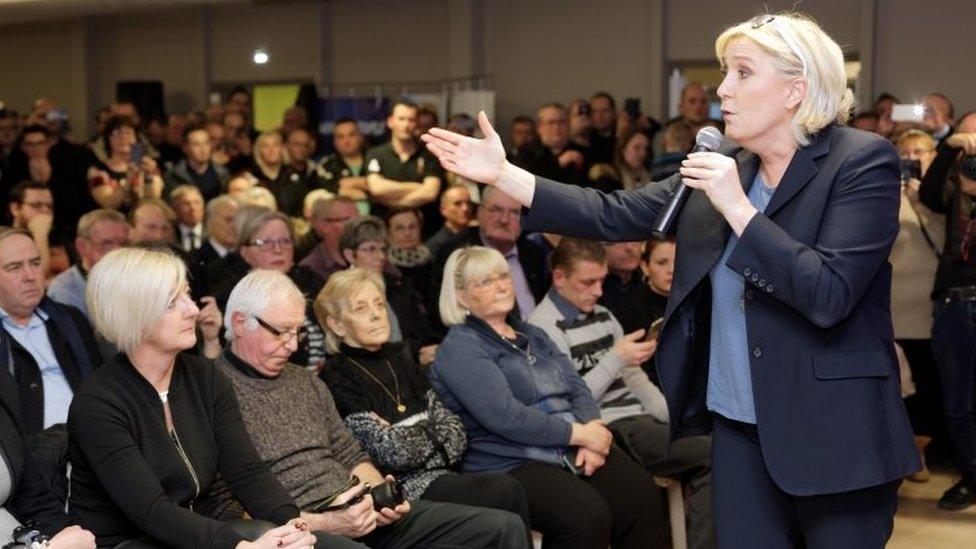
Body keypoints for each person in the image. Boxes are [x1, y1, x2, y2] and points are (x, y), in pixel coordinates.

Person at [423, 12, 918, 547]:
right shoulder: (728, 163)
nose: (722, 89)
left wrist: (738, 210)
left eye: (743, 73)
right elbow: (612, 213)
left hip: (833, 431)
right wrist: (504, 174)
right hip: (737, 432)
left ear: (796, 90)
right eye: (725, 73)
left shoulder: (860, 161)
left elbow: (828, 294)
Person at [216, 269, 528, 549]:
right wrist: (326, 523)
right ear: (240, 323)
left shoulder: (305, 382)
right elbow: (230, 506)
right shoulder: (213, 390)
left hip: (358, 509)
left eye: (296, 332)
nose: (293, 345)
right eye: (280, 332)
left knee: (502, 527)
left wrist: (382, 496)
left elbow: (351, 455)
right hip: (301, 526)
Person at [67, 247, 318, 549]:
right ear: (134, 314)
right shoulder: (98, 403)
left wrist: (291, 522)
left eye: (187, 295)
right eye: (173, 303)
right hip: (132, 543)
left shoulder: (205, 377)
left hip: (203, 533)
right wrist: (238, 547)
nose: (193, 310)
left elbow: (246, 470)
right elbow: (152, 510)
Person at [430, 245, 666, 549]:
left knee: (641, 494)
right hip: (510, 460)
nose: (501, 285)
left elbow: (576, 387)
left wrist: (594, 430)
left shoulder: (532, 334)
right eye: (486, 281)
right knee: (586, 514)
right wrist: (580, 435)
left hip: (568, 444)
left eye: (503, 276)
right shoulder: (461, 347)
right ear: (462, 296)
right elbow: (505, 416)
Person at [315, 268, 531, 536]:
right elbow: (390, 453)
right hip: (403, 491)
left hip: (445, 476)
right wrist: (428, 430)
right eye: (361, 308)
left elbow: (457, 433)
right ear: (337, 325)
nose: (376, 314)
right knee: (504, 492)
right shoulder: (336, 377)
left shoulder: (401, 360)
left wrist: (403, 432)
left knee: (507, 493)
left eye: (379, 304)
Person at [528, 238, 713, 549]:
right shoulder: (542, 328)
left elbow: (636, 381)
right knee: (711, 455)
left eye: (601, 280)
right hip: (609, 427)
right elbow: (570, 402)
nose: (598, 291)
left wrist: (674, 416)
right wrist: (615, 359)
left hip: (638, 419)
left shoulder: (602, 313)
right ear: (559, 278)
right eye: (588, 282)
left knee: (722, 443)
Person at [918, 111, 976, 509]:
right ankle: (972, 478)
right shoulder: (952, 187)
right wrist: (948, 144)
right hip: (953, 302)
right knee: (956, 404)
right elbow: (926, 193)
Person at [0, 228, 101, 434]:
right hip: (25, 455)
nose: (30, 276)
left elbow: (100, 385)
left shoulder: (70, 320)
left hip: (90, 441)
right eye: (14, 267)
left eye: (35, 263)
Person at [890, 129, 946, 484]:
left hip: (928, 311)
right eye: (905, 151)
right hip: (891, 309)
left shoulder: (943, 197)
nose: (912, 157)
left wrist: (923, 201)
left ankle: (921, 453)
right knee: (896, 390)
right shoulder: (882, 194)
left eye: (919, 152)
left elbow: (948, 245)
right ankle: (899, 456)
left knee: (928, 387)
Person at [365, 102, 444, 237]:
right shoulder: (375, 154)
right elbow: (377, 189)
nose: (406, 124)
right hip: (382, 232)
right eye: (401, 119)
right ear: (390, 122)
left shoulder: (429, 154)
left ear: (416, 123)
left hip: (424, 232)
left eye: (411, 120)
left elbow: (430, 192)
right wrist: (416, 186)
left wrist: (394, 205)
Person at [48, 209, 129, 318]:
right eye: (106, 243)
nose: (118, 252)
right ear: (81, 246)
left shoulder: (133, 282)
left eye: (123, 244)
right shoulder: (65, 290)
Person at [87, 116, 164, 213]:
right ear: (109, 139)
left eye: (128, 133)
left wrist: (149, 176)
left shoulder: (146, 165)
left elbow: (154, 201)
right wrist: (128, 181)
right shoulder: (98, 170)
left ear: (136, 138)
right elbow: (108, 204)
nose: (123, 138)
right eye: (117, 133)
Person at [163, 123, 230, 201]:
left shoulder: (223, 174)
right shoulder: (173, 177)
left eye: (206, 143)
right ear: (185, 148)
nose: (203, 149)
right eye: (196, 144)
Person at [298, 197, 359, 279]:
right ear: (324, 226)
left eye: (359, 219)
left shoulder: (366, 259)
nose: (358, 225)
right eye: (347, 220)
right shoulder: (310, 271)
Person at [251, 131, 305, 217]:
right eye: (266, 146)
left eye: (275, 145)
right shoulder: (251, 178)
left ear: (282, 148)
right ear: (259, 151)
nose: (271, 150)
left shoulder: (295, 177)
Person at [422, 185, 472, 259]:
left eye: (468, 203)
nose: (465, 208)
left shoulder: (479, 237)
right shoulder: (434, 246)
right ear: (443, 209)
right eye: (457, 204)